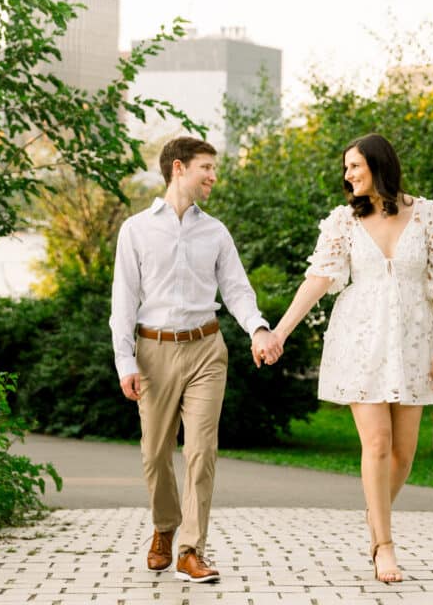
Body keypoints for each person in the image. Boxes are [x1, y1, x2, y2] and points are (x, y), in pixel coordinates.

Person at [270, 133, 433, 584]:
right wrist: (280, 331)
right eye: (346, 168)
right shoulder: (343, 222)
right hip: (360, 342)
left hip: (415, 342)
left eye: (354, 166)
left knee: (403, 453)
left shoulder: (428, 213)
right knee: (375, 444)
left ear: (378, 165)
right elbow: (319, 279)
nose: (347, 175)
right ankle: (384, 546)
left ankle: (375, 516)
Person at [110, 136, 281, 584]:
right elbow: (123, 302)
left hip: (206, 348)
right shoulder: (137, 230)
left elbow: (238, 289)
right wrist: (124, 361)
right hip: (153, 351)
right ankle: (164, 528)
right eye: (206, 167)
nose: (213, 176)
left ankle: (191, 549)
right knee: (154, 454)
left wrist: (258, 329)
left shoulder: (216, 232)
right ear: (179, 168)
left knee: (202, 451)